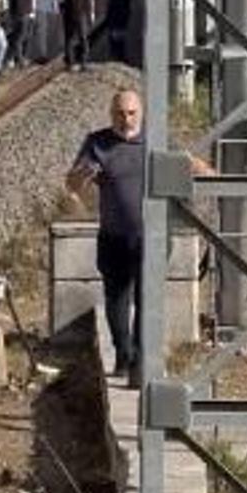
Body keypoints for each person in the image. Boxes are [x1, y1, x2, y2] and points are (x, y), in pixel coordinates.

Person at [66, 90, 145, 387]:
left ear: (141, 113)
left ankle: (140, 359)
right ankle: (123, 355)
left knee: (147, 299)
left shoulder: (155, 141)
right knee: (117, 297)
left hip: (150, 237)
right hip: (114, 235)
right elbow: (71, 184)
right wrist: (82, 176)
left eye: (132, 113)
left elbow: (186, 163)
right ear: (111, 114)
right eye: (120, 114)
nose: (126, 119)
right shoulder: (97, 143)